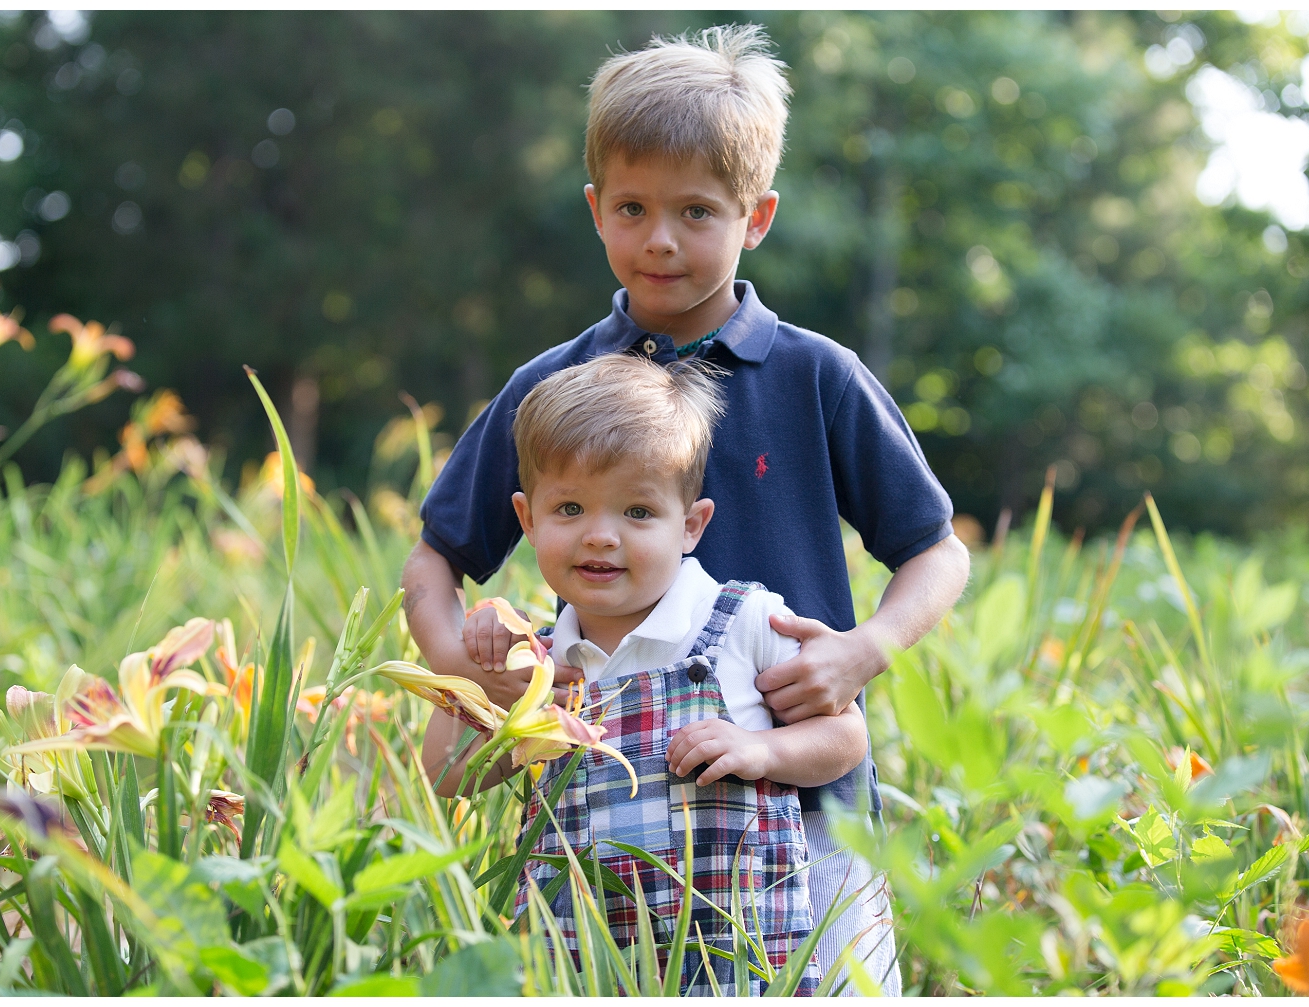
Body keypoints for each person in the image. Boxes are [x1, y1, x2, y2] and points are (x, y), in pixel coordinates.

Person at [403, 24, 971, 995]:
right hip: (601, 829)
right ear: (595, 209)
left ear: (757, 215)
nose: (660, 238)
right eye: (632, 206)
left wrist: (860, 648)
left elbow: (936, 550)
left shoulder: (814, 374)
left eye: (697, 210)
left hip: (808, 799)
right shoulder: (555, 387)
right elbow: (435, 558)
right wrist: (469, 679)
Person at [421, 354, 867, 995]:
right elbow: (447, 776)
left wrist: (763, 749)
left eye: (636, 513)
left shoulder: (745, 620)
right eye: (570, 508)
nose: (600, 537)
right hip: (581, 967)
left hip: (736, 958)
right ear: (526, 520)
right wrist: (482, 676)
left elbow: (846, 738)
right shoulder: (540, 662)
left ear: (690, 525)